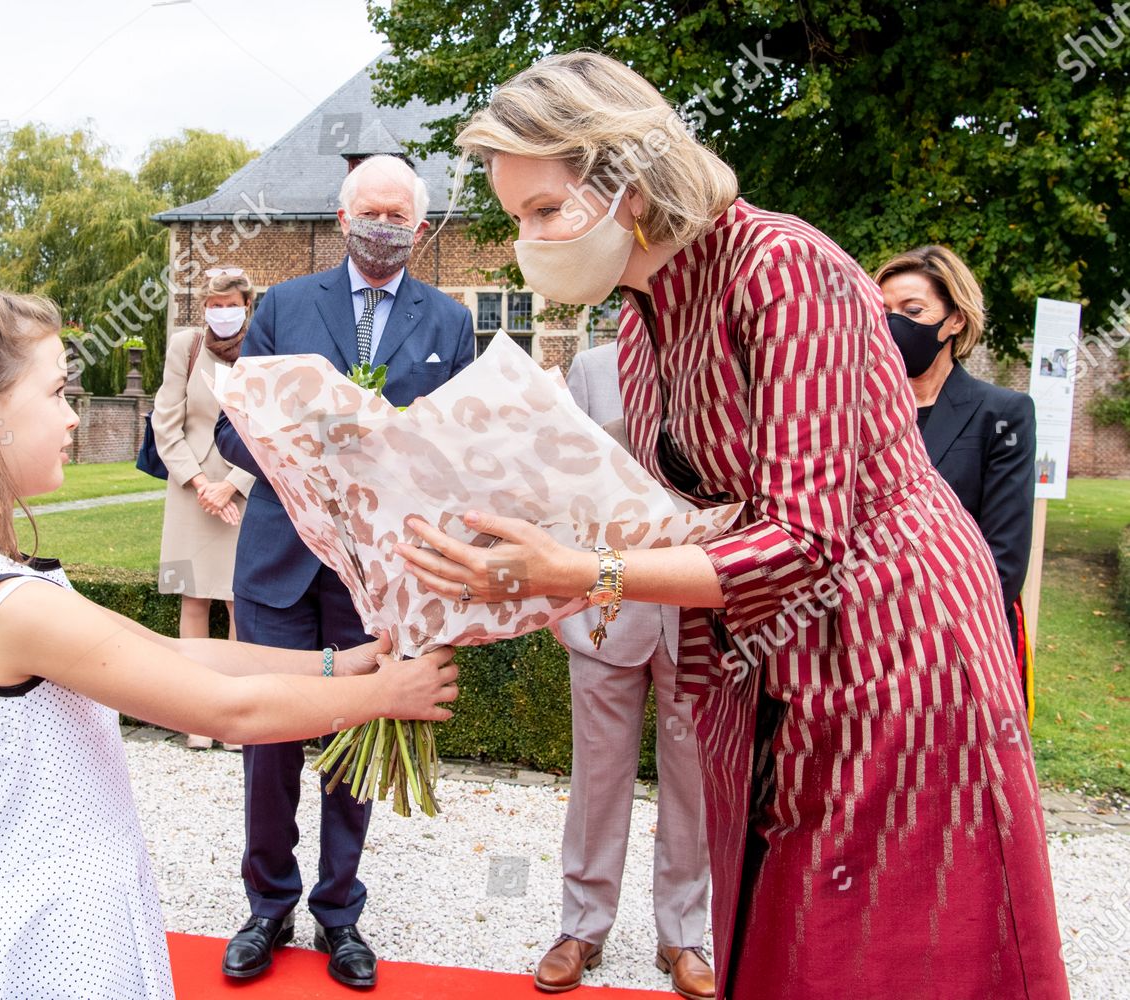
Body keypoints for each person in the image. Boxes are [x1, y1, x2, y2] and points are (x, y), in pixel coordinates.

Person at [397, 52, 1068, 1000]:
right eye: (516, 219)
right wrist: (479, 559)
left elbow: (802, 537)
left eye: (543, 211)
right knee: (780, 916)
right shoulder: (640, 322)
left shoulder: (784, 269)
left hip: (896, 644)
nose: (527, 243)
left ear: (625, 179)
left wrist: (588, 572)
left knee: (881, 939)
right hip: (769, 647)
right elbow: (673, 515)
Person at [0, 289, 458, 999]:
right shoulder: (10, 608)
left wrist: (335, 663)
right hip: (49, 941)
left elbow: (171, 651)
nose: (74, 416)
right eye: (57, 393)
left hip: (39, 906)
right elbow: (224, 711)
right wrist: (380, 694)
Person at [213, 153, 475, 989]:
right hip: (280, 560)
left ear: (420, 229)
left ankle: (339, 913)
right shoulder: (284, 307)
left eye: (399, 216)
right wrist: (314, 449)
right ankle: (265, 904)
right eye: (371, 212)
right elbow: (231, 432)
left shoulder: (450, 322)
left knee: (360, 734)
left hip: (377, 575)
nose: (383, 226)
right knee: (270, 738)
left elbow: (457, 450)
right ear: (342, 218)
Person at [533, 343, 712, 998]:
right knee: (597, 777)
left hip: (699, 612)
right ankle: (582, 926)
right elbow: (559, 485)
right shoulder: (594, 369)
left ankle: (683, 935)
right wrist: (555, 600)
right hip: (607, 611)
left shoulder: (733, 369)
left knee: (694, 784)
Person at [875, 246, 1036, 671]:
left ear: (955, 319)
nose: (895, 324)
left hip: (957, 643)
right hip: (868, 641)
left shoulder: (1002, 413)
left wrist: (940, 642)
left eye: (913, 310)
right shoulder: (861, 414)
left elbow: (1005, 555)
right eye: (883, 311)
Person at [152, 266, 257, 750]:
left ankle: (232, 715)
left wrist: (230, 484)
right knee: (192, 598)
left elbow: (271, 428)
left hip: (246, 488)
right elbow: (165, 420)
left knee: (239, 600)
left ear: (246, 305)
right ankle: (196, 713)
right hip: (188, 488)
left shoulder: (264, 345)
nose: (221, 313)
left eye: (229, 304)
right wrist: (199, 482)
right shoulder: (185, 347)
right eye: (212, 306)